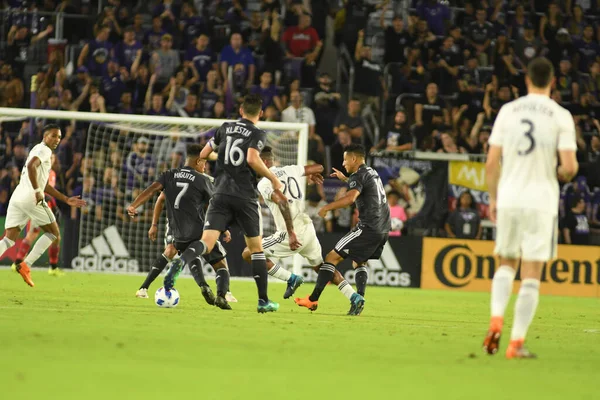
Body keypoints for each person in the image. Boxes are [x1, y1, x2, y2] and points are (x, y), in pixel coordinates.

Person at [483, 57, 579, 359]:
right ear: (553, 82)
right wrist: (562, 173)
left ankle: (496, 318)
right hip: (541, 200)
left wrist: (494, 198)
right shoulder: (561, 115)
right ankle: (515, 343)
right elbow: (569, 166)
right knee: (531, 272)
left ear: (526, 80)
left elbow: (490, 162)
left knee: (506, 263)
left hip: (510, 196)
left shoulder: (508, 111)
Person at [174, 94, 283, 313]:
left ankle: (180, 263)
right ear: (260, 114)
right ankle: (263, 301)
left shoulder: (225, 127)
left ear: (241, 111)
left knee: (207, 241)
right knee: (256, 249)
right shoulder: (258, 132)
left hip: (220, 193)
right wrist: (272, 178)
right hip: (245, 196)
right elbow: (252, 159)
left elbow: (203, 155)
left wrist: (219, 161)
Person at [127, 144, 234, 310]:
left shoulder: (169, 175)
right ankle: (222, 295)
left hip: (178, 235)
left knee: (186, 255)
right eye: (204, 163)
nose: (205, 166)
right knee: (221, 265)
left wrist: (134, 205)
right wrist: (224, 227)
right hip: (200, 232)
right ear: (198, 161)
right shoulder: (202, 179)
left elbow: (153, 190)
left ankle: (203, 285)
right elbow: (215, 206)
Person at [241, 147, 353, 300]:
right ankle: (354, 297)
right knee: (322, 268)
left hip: (290, 233)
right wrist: (312, 173)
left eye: (256, 162)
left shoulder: (265, 183)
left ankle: (291, 278)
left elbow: (283, 202)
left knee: (249, 253)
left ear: (264, 162)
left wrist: (291, 232)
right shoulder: (291, 170)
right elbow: (320, 167)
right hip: (308, 228)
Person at [295, 144, 391, 316]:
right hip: (383, 228)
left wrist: (328, 207)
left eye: (346, 159)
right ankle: (358, 299)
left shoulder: (358, 175)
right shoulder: (371, 172)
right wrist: (345, 179)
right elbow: (364, 188)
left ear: (354, 159)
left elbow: (350, 198)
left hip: (368, 226)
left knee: (331, 257)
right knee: (358, 262)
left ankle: (313, 298)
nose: (343, 163)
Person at [0, 125, 86, 287]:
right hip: (31, 198)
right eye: (53, 136)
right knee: (54, 233)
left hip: (17, 197)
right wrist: (37, 191)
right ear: (45, 136)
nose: (56, 140)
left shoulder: (36, 149)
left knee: (8, 239)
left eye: (59, 137)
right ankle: (26, 265)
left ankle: (25, 265)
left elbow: (44, 184)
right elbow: (32, 167)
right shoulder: (45, 150)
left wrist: (66, 199)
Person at [11, 155, 62, 276]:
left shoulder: (52, 173)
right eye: (49, 158)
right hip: (39, 207)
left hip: (45, 207)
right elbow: (41, 190)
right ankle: (52, 267)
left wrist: (53, 205)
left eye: (53, 158)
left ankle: (18, 263)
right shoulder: (41, 171)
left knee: (38, 235)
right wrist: (54, 205)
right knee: (48, 235)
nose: (51, 160)